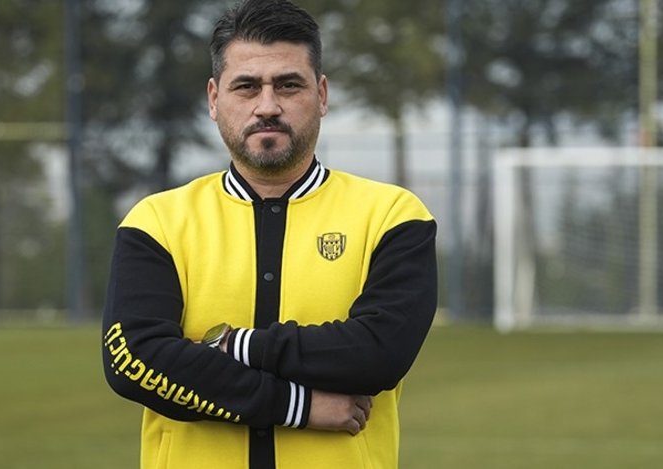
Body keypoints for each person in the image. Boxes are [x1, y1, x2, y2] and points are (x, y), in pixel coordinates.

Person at [101, 0, 437, 468]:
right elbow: (135, 362)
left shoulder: (392, 216)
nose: (267, 106)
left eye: (288, 84)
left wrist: (233, 346)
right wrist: (295, 406)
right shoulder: (157, 222)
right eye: (246, 86)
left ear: (322, 94)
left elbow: (378, 354)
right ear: (214, 99)